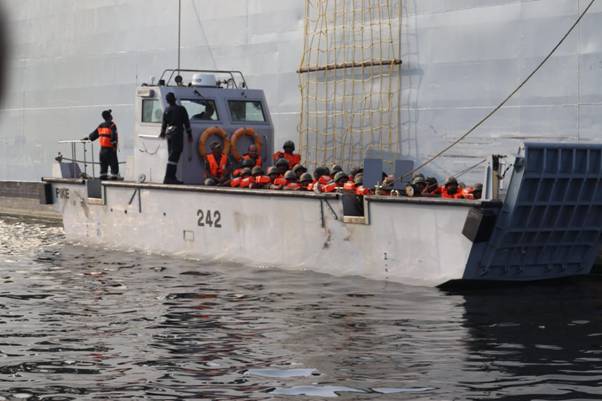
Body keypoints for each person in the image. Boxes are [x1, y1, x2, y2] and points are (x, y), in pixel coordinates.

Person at [160, 92, 192, 184]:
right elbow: (186, 122)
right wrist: (189, 134)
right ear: (174, 99)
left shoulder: (166, 110)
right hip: (177, 134)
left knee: (171, 155)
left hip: (169, 134)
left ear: (167, 101)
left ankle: (172, 176)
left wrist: (162, 132)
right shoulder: (181, 109)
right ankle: (169, 177)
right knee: (175, 154)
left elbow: (164, 123)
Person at [84, 109, 119, 180]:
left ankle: (103, 177)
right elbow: (113, 136)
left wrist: (88, 138)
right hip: (110, 149)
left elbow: (93, 135)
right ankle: (114, 177)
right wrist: (114, 146)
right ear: (109, 116)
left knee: (103, 164)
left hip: (102, 150)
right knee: (113, 164)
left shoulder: (101, 126)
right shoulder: (112, 125)